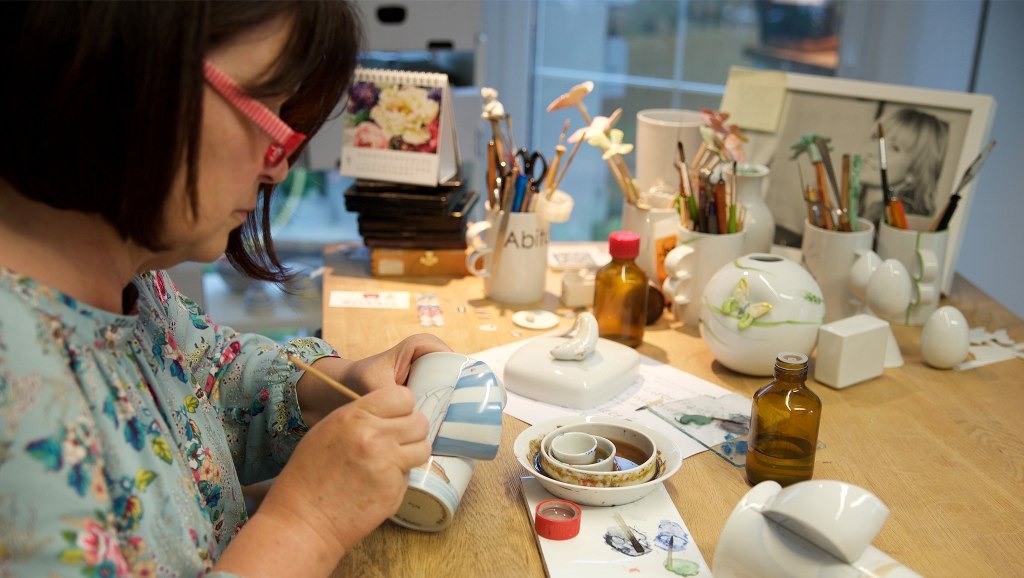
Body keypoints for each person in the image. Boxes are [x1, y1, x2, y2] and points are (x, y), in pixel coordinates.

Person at [0, 2, 451, 576]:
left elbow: (206, 380)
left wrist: (338, 385)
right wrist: (306, 525)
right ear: (128, 68)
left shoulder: (130, 281)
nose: (280, 167)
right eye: (268, 109)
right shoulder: (16, 400)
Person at [858, 106, 950, 224]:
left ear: (914, 172)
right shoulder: (854, 205)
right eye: (875, 138)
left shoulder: (898, 222)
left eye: (893, 148)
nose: (871, 151)